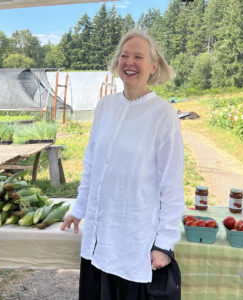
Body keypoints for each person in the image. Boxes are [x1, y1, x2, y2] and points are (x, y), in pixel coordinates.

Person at [61, 30, 185, 299]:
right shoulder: (105, 106)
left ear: (154, 66)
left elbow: (172, 185)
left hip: (134, 239)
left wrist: (163, 244)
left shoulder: (163, 114)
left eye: (138, 57)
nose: (129, 62)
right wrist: (79, 209)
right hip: (99, 234)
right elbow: (92, 165)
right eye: (124, 56)